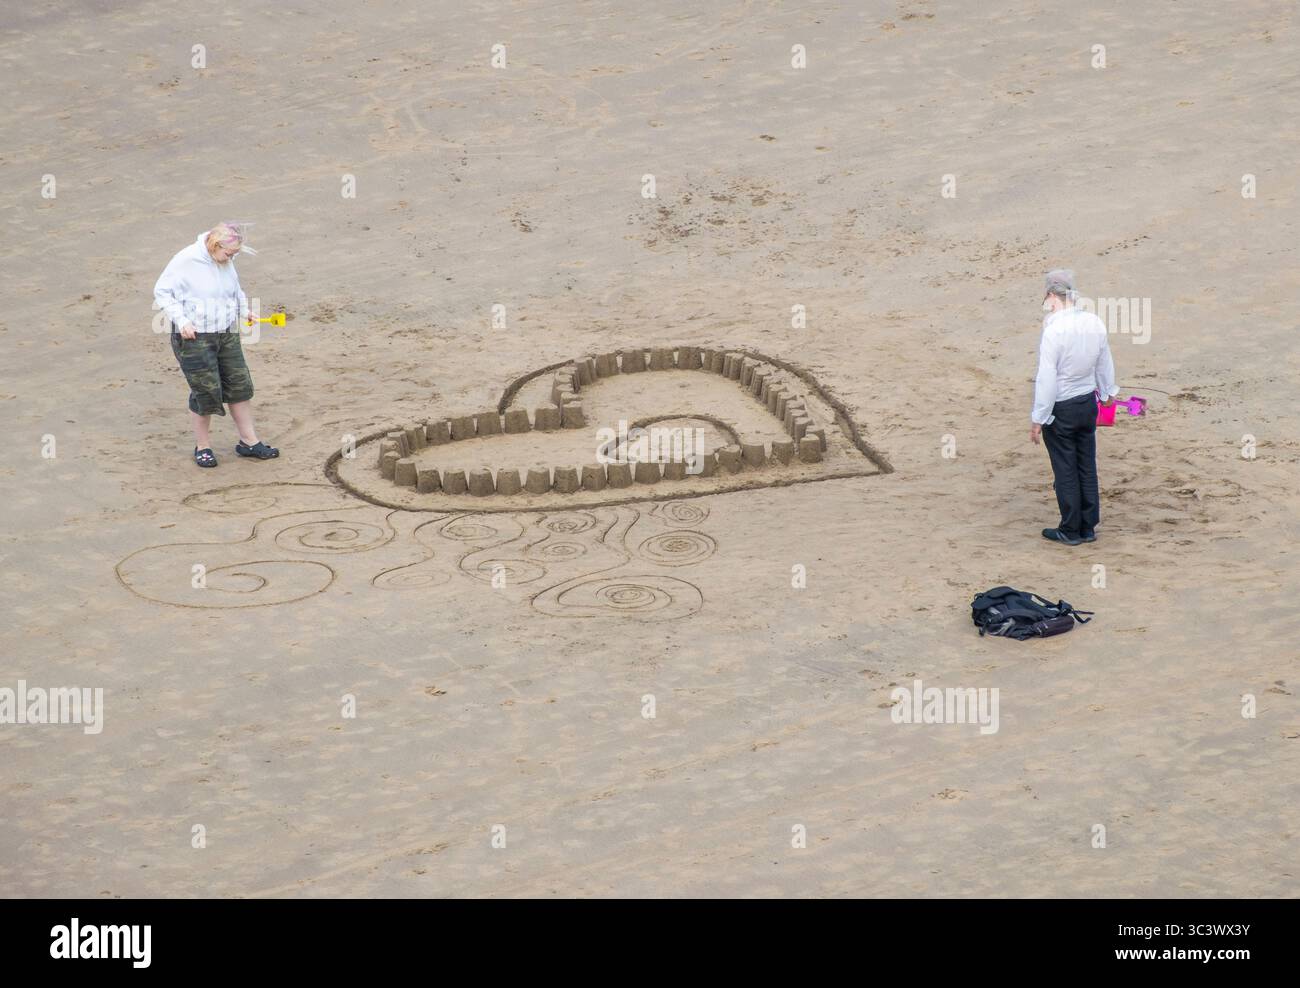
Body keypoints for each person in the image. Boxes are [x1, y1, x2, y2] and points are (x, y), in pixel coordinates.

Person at [154, 222, 279, 467]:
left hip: (226, 332)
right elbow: (162, 291)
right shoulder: (186, 260)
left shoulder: (225, 260)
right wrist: (182, 321)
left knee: (239, 385)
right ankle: (203, 447)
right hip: (195, 336)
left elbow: (234, 289)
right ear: (215, 244)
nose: (232, 258)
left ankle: (249, 442)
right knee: (206, 391)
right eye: (229, 253)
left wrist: (244, 311)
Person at [1030, 269, 1118, 545]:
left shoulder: (1053, 330)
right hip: (1086, 403)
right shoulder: (1093, 321)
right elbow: (1104, 361)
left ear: (1051, 296)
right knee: (1086, 465)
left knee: (1065, 469)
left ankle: (1070, 529)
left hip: (1062, 407)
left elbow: (1047, 378)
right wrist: (1107, 393)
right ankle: (1088, 526)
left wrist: (1039, 418)